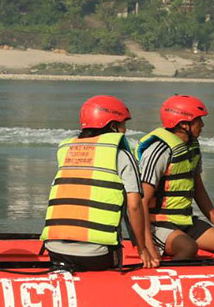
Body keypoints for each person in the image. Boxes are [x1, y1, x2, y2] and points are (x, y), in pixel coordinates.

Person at [41, 96, 159, 271]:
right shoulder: (121, 155)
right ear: (113, 126)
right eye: (123, 124)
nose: (125, 130)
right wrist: (143, 249)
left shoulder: (65, 151)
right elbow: (134, 206)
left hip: (54, 250)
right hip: (97, 254)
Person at [138, 95, 214, 260]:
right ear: (183, 124)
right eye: (198, 120)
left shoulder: (192, 148)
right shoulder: (159, 151)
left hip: (183, 221)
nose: (202, 125)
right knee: (188, 248)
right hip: (155, 224)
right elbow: (141, 201)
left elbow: (199, 190)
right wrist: (147, 247)